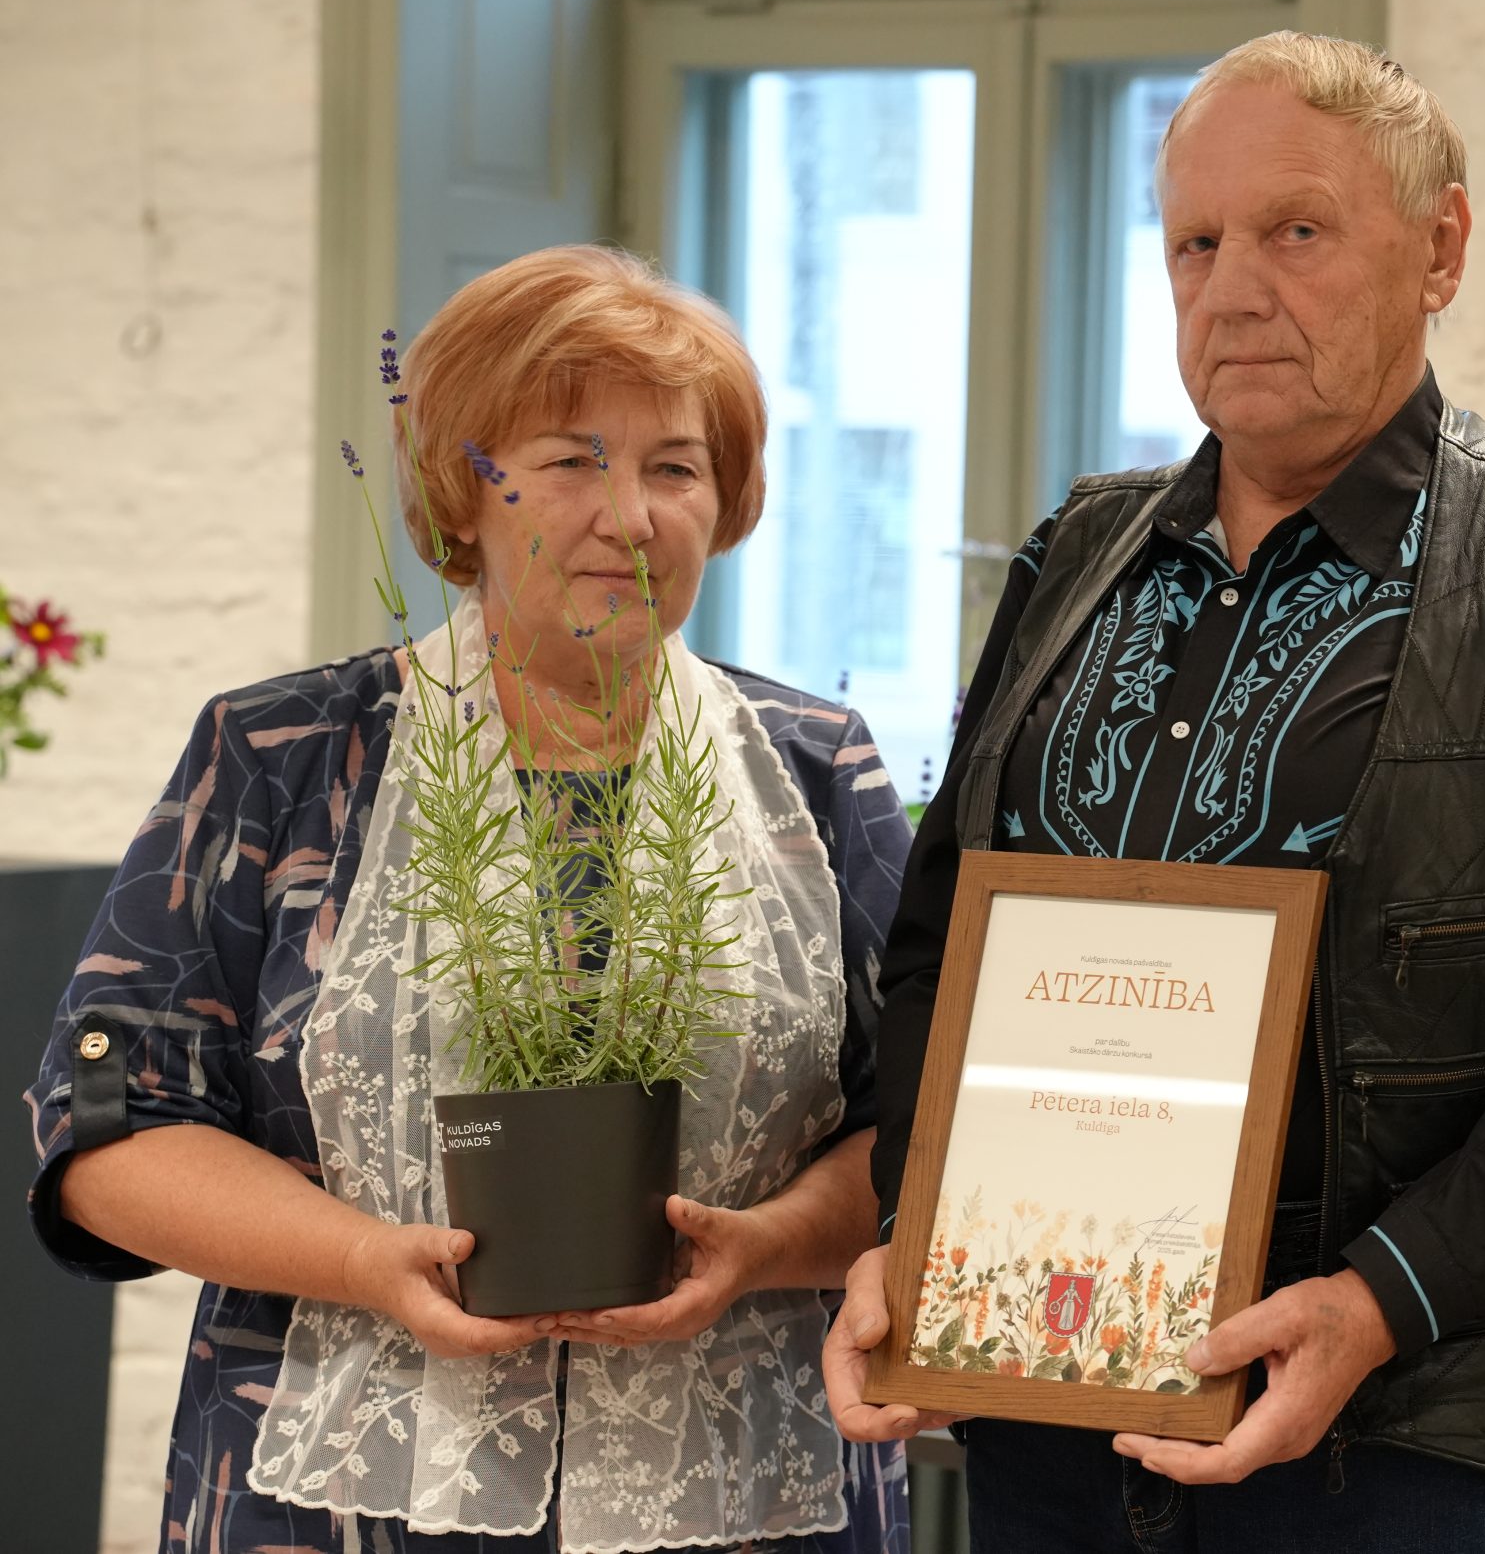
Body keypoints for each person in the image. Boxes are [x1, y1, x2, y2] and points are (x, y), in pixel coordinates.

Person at [822, 31, 1485, 1550]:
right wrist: (911, 1228)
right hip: (1052, 1428)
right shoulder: (1077, 554)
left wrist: (1381, 1300)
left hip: (1397, 1454)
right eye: (1196, 242)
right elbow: (943, 949)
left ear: (1440, 248)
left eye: (1298, 231)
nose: (1234, 290)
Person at [26, 245, 915, 1553]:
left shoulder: (815, 768)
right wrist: (361, 1261)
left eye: (675, 468)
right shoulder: (282, 758)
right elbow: (108, 1134)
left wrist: (768, 1244)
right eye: (569, 462)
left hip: (749, 1498)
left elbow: (924, 1130)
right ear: (464, 492)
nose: (631, 516)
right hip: (334, 1506)